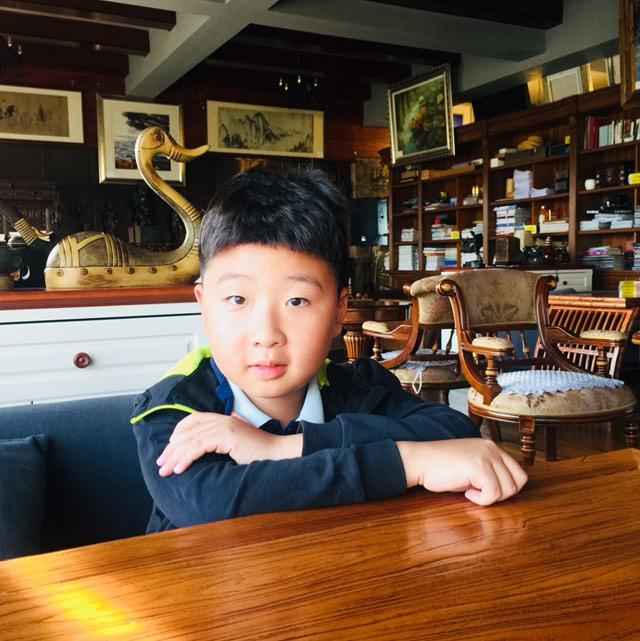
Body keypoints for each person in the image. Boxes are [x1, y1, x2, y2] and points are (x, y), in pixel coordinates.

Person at [131, 168, 527, 533]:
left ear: (339, 311)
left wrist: (284, 447)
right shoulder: (174, 408)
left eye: (297, 301)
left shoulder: (358, 386)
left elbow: (453, 431)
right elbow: (213, 504)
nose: (266, 335)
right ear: (204, 307)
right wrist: (410, 463)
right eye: (237, 299)